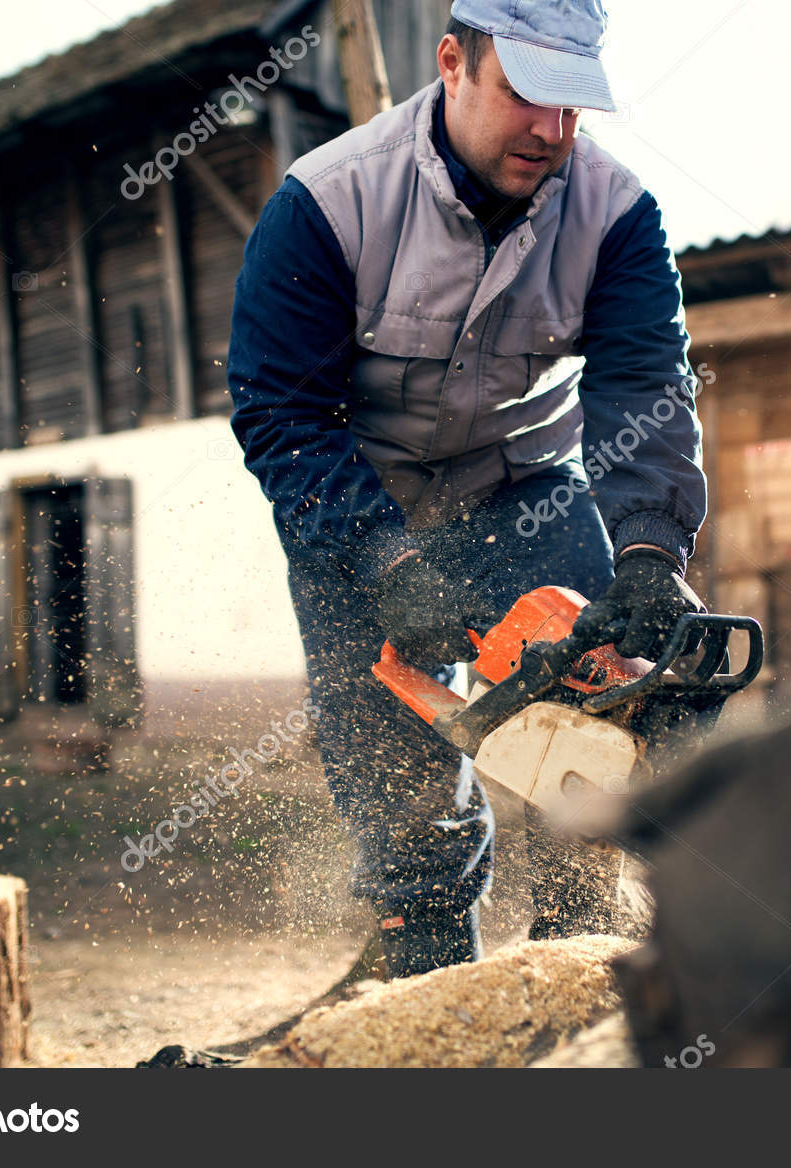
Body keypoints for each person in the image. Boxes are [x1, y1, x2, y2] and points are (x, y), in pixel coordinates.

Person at [227, 0, 706, 977]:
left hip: (521, 487)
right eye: (528, 94)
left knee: (603, 716)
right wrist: (384, 559)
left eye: (574, 105)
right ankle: (426, 954)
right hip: (357, 502)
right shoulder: (323, 204)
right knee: (406, 809)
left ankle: (586, 946)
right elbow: (281, 415)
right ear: (453, 62)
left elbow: (643, 391)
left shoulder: (616, 215)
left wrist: (651, 552)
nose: (552, 131)